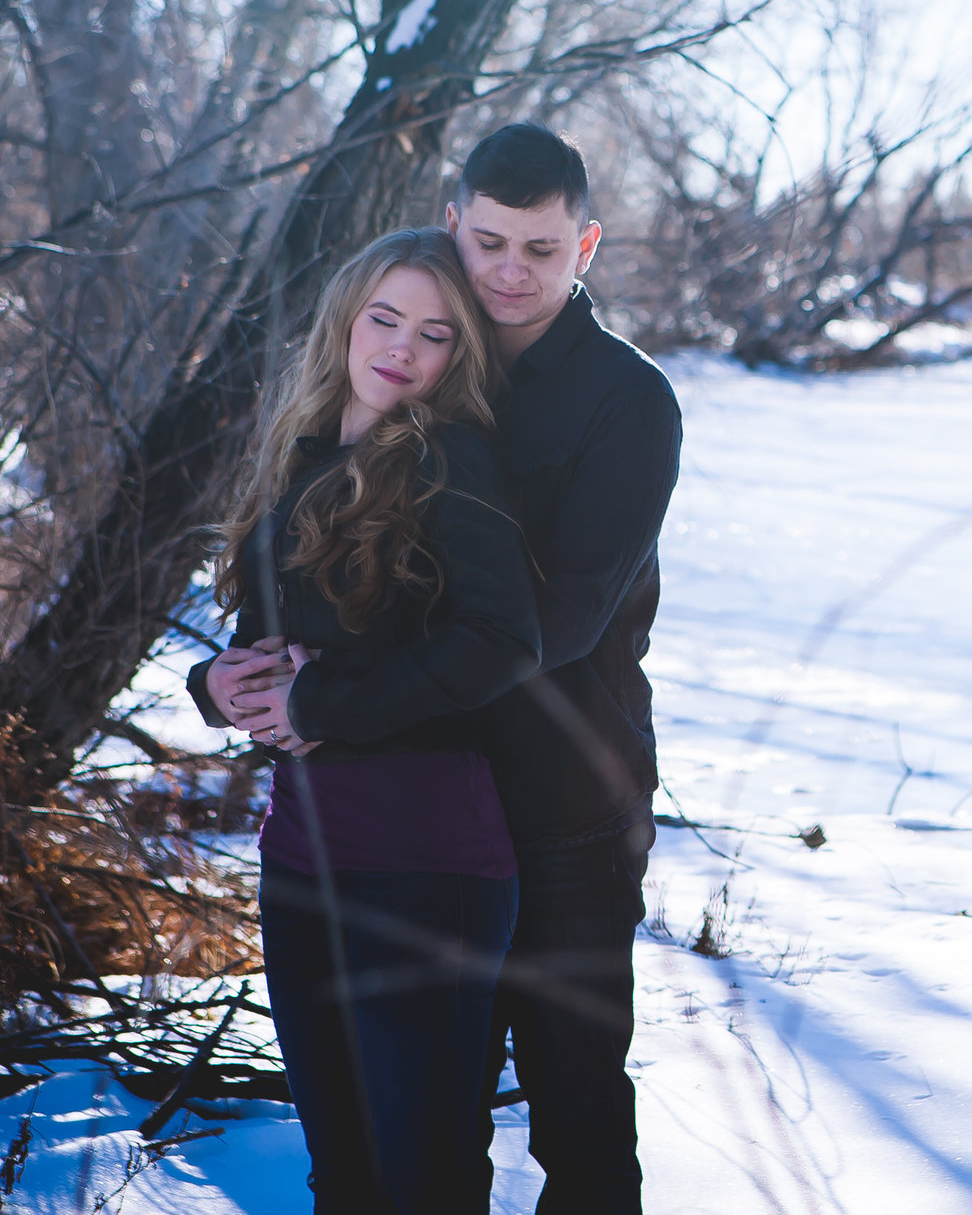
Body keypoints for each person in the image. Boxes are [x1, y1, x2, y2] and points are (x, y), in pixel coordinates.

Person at [212, 124, 683, 1215]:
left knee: (574, 1107)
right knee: (429, 1130)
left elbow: (553, 624)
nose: (511, 273)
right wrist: (241, 679)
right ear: (454, 224)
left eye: (542, 248)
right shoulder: (407, 362)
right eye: (489, 242)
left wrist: (329, 702)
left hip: (563, 798)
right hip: (417, 806)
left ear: (587, 247)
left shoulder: (627, 400)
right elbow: (331, 576)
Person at [197, 227, 546, 1215]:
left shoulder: (453, 463)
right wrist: (214, 686)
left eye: (434, 333)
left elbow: (501, 640)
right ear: (346, 323)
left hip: (425, 864)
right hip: (302, 856)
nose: (401, 347)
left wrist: (323, 701)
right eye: (384, 319)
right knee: (342, 1174)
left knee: (421, 1180)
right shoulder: (306, 454)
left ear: (458, 356)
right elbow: (263, 641)